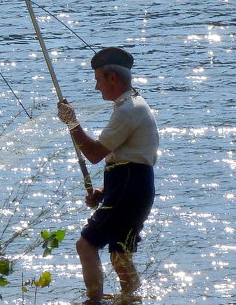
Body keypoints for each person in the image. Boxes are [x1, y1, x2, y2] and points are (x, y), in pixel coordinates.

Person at [57, 46, 158, 305]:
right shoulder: (133, 104)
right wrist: (104, 192)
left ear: (112, 78)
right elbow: (126, 157)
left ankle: (94, 301)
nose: (96, 87)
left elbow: (94, 153)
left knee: (86, 244)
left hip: (128, 188)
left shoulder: (128, 110)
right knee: (119, 254)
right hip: (133, 187)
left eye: (98, 79)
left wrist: (72, 123)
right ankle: (131, 299)